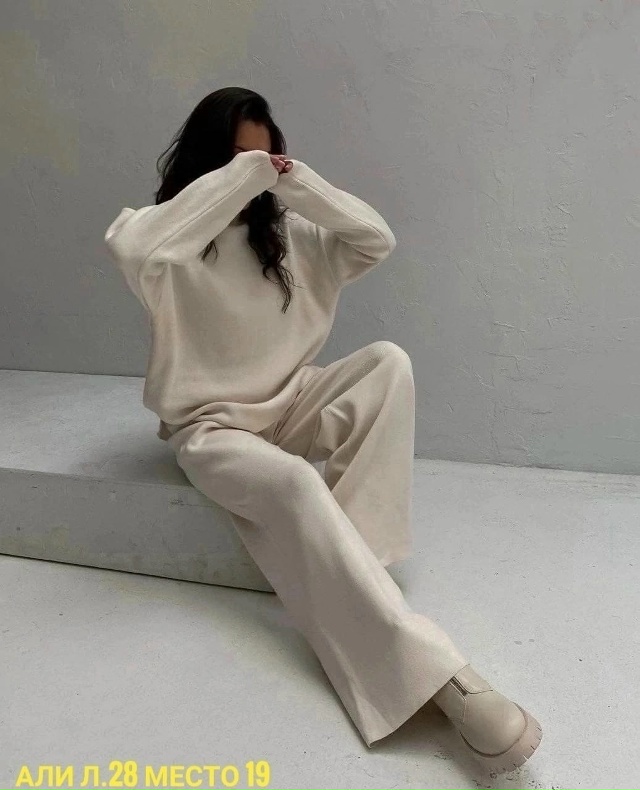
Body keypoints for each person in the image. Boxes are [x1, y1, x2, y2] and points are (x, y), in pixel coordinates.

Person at [103, 86, 542, 775]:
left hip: (292, 400)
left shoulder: (290, 236)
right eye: (235, 160)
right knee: (292, 481)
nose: (254, 175)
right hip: (211, 427)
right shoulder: (164, 243)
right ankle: (444, 680)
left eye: (266, 158)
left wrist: (297, 182)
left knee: (387, 364)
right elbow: (135, 247)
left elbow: (376, 238)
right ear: (207, 163)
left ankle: (359, 570)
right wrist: (240, 177)